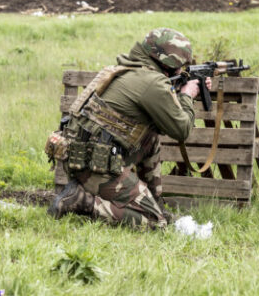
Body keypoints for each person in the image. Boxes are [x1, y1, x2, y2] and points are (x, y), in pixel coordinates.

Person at [47, 27, 210, 228]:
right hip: (96, 168)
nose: (181, 70)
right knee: (154, 222)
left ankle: (154, 203)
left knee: (150, 137)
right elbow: (181, 130)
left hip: (82, 159)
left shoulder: (126, 69)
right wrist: (187, 96)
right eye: (179, 65)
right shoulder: (152, 83)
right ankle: (81, 202)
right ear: (166, 62)